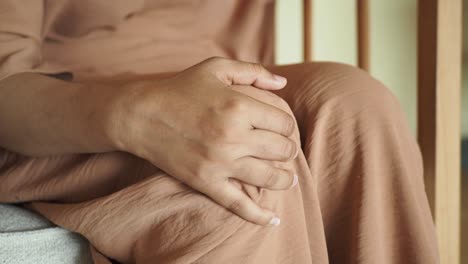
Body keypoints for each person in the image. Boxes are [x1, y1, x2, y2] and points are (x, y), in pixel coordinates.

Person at [0, 1, 439, 263]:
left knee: (353, 101)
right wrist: (139, 114)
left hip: (211, 81)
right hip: (56, 108)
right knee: (251, 177)